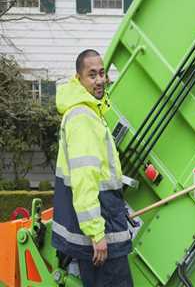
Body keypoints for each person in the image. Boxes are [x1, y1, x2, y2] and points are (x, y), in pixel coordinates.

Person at [52, 49, 133, 286]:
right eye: (92, 75)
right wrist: (97, 234)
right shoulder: (82, 117)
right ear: (79, 79)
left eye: (102, 73)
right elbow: (84, 179)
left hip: (106, 220)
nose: (99, 80)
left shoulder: (90, 112)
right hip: (99, 234)